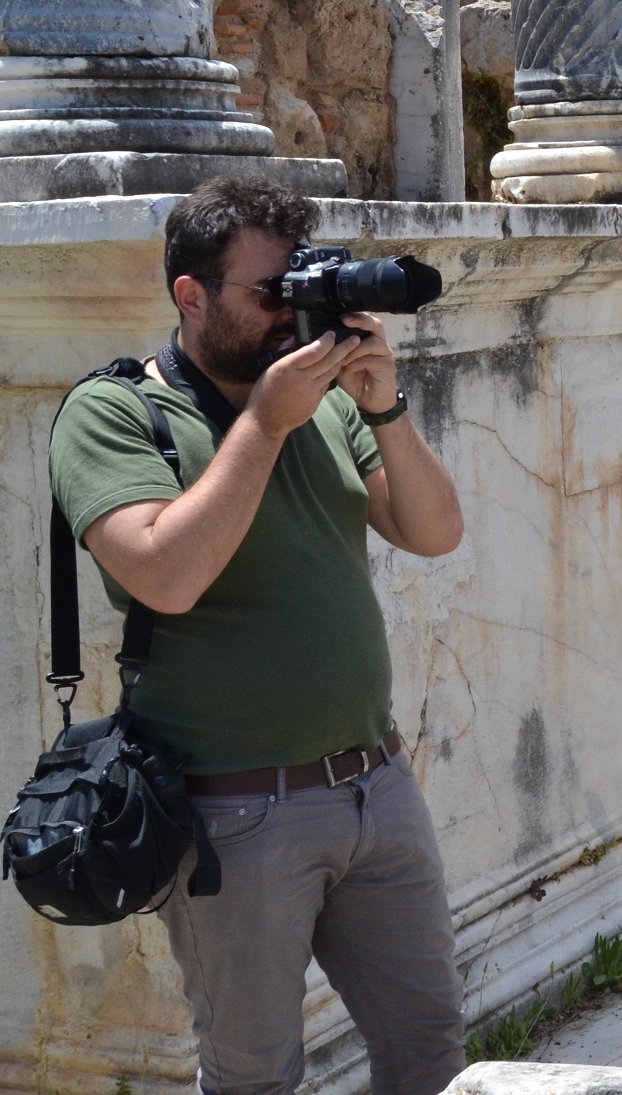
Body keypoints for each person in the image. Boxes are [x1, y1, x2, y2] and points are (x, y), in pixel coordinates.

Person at [46, 177, 467, 1095]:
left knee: (431, 1055)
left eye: (300, 286)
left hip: (377, 791)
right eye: (267, 293)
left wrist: (384, 403)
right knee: (253, 1079)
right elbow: (164, 572)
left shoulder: (327, 399)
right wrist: (266, 424)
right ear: (189, 295)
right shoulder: (116, 414)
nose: (291, 313)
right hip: (234, 817)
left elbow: (435, 531)